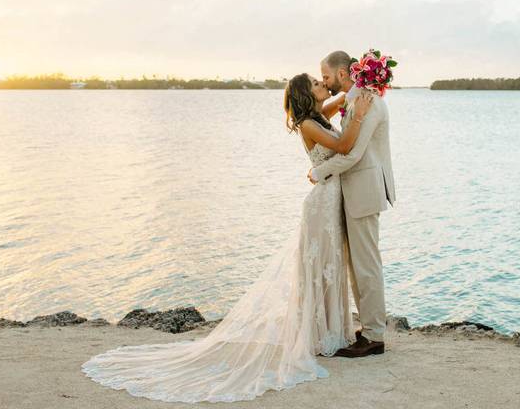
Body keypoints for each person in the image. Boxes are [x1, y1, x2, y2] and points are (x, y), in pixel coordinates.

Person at [82, 74, 372, 403]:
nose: (324, 85)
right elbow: (345, 145)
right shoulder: (309, 124)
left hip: (332, 199)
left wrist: (362, 82)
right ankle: (319, 336)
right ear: (308, 95)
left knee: (330, 264)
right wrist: (360, 114)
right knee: (320, 265)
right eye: (318, 84)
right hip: (321, 205)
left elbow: (342, 99)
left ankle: (328, 332)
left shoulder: (321, 114)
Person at [311, 50, 396, 357]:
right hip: (354, 190)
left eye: (326, 76)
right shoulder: (352, 98)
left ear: (343, 74)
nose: (325, 81)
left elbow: (354, 153)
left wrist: (319, 172)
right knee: (357, 265)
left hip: (364, 190)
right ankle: (369, 330)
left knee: (367, 265)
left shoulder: (367, 101)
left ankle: (374, 335)